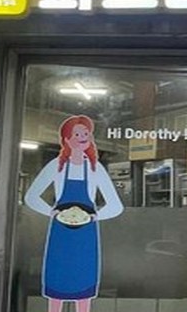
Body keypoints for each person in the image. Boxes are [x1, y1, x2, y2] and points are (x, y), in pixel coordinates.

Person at [25, 115, 124, 312]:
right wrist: (51, 212)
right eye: (77, 134)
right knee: (57, 279)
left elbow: (116, 206)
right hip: (60, 233)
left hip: (85, 235)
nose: (82, 138)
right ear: (67, 139)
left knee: (83, 282)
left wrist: (96, 216)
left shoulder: (95, 169)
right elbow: (31, 197)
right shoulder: (57, 166)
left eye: (86, 133)